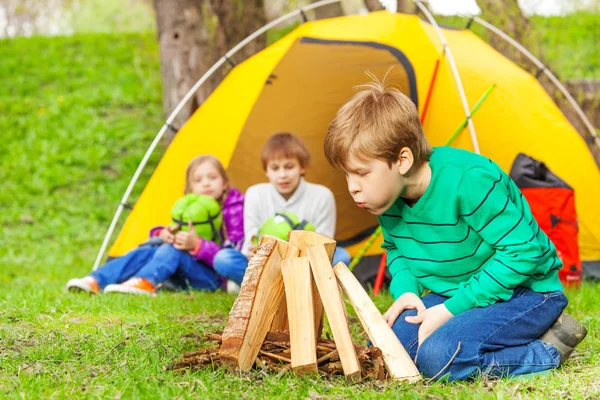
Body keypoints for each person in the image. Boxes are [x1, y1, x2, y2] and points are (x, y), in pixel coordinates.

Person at [323, 77, 587, 381]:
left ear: (403, 160)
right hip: (456, 292)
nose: (352, 188)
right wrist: (406, 291)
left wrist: (450, 310)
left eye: (361, 173)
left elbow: (523, 252)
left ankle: (547, 350)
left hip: (524, 292)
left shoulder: (468, 181)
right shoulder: (387, 197)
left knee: (439, 357)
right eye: (347, 175)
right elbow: (396, 247)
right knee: (385, 347)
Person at [66, 155, 244, 295]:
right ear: (190, 189)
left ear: (225, 183)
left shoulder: (234, 210)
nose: (206, 183)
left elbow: (234, 253)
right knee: (150, 250)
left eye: (212, 177)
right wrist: (163, 234)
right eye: (198, 180)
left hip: (214, 279)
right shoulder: (188, 208)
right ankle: (95, 280)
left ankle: (144, 282)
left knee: (173, 250)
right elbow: (169, 230)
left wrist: (198, 246)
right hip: (184, 272)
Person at [213, 132, 351, 287]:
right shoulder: (255, 193)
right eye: (275, 168)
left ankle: (263, 287)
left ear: (302, 168)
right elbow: (250, 240)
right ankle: (292, 288)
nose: (282, 175)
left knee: (341, 256)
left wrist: (294, 255)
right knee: (223, 259)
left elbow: (325, 247)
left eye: (289, 167)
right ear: (266, 171)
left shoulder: (322, 196)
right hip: (265, 266)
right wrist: (257, 250)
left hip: (306, 267)